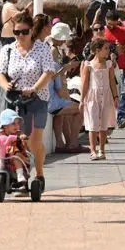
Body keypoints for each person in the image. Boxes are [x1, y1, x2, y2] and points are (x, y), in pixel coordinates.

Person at [0, 13, 57, 193]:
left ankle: (39, 174)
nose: (20, 36)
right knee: (15, 140)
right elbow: (0, 73)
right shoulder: (8, 50)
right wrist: (6, 85)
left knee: (34, 141)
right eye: (17, 32)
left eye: (24, 32)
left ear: (31, 31)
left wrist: (35, 88)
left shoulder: (42, 48)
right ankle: (19, 174)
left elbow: (48, 71)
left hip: (37, 99)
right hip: (15, 100)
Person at [46, 23, 83, 154]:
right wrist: (66, 68)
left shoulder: (50, 50)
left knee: (60, 116)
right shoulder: (53, 55)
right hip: (53, 101)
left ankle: (61, 144)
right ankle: (73, 143)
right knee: (80, 109)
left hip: (48, 99)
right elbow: (58, 85)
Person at [81, 37, 119, 160]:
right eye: (105, 48)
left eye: (108, 48)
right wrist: (82, 100)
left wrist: (115, 96)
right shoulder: (89, 65)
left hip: (106, 96)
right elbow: (85, 83)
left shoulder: (108, 65)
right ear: (97, 50)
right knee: (93, 124)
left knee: (104, 124)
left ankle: (102, 150)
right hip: (92, 96)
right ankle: (93, 150)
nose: (108, 51)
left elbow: (112, 82)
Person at [104, 12, 125, 127]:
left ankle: (121, 117)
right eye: (109, 24)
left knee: (122, 92)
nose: (111, 27)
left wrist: (122, 47)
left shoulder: (124, 31)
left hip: (121, 67)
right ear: (105, 20)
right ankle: (107, 119)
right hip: (105, 67)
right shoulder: (102, 31)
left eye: (113, 25)